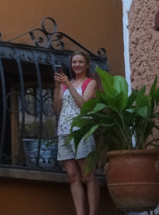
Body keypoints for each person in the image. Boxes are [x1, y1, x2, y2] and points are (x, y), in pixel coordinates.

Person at [54, 50, 100, 215]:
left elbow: (83, 105)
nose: (77, 65)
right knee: (73, 175)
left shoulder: (90, 82)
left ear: (87, 64)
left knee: (87, 175)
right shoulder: (66, 83)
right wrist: (58, 86)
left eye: (81, 62)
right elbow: (57, 107)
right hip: (64, 131)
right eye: (74, 62)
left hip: (81, 130)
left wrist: (70, 85)